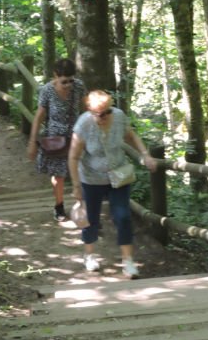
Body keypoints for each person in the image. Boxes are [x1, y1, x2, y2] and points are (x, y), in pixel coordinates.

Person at [68, 89, 157, 277]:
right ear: (90, 111)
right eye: (99, 114)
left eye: (107, 112)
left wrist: (145, 154)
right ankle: (89, 254)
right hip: (92, 178)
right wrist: (76, 186)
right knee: (91, 218)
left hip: (118, 175)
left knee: (123, 217)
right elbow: (73, 157)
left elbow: (130, 136)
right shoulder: (83, 124)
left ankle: (128, 261)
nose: (104, 117)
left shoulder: (119, 117)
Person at [27, 58, 86, 221]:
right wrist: (32, 142)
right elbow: (39, 117)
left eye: (71, 80)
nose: (68, 85)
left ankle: (82, 207)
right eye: (64, 81)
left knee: (82, 171)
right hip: (55, 138)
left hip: (76, 136)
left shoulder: (79, 87)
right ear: (55, 75)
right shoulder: (47, 90)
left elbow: (85, 109)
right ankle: (59, 206)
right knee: (58, 175)